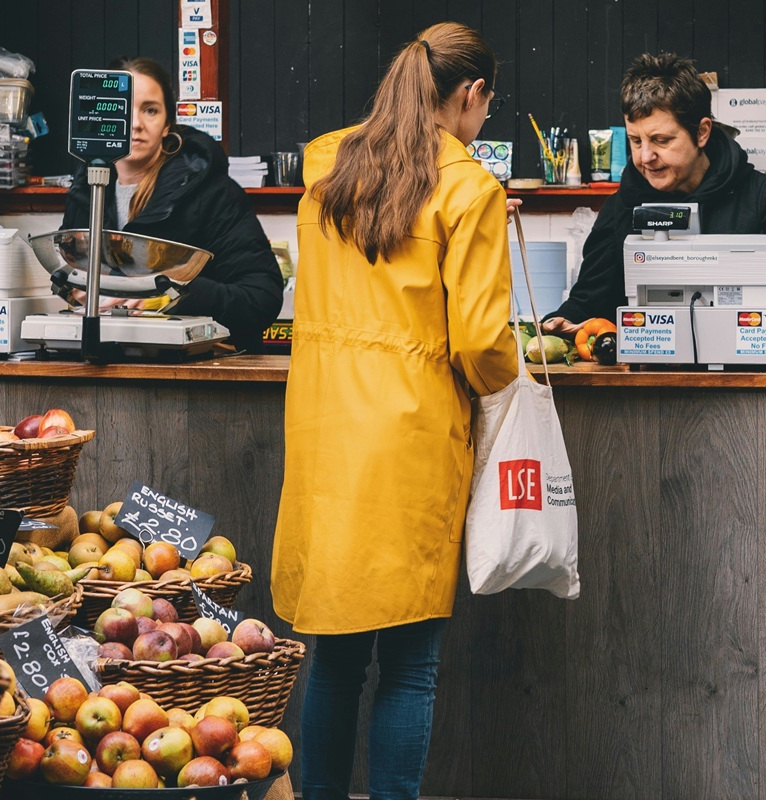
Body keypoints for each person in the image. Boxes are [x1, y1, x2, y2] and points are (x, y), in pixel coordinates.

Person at [271, 23, 518, 800]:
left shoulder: (324, 165)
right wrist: (518, 377)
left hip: (325, 433)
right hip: (410, 440)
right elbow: (481, 341)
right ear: (471, 95)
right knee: (411, 663)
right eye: (488, 105)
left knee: (336, 654)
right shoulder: (469, 188)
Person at [544, 52, 766, 333]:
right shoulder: (621, 208)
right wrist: (562, 322)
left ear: (702, 132)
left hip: (747, 372)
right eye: (636, 141)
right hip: (644, 373)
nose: (646, 156)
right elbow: (588, 302)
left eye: (661, 140)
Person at [60, 58, 283, 353]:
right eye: (123, 110)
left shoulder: (214, 193)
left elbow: (262, 298)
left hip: (198, 372)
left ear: (167, 125)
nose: (136, 123)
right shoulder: (86, 191)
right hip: (106, 363)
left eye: (150, 110)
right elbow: (72, 277)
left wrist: (170, 291)